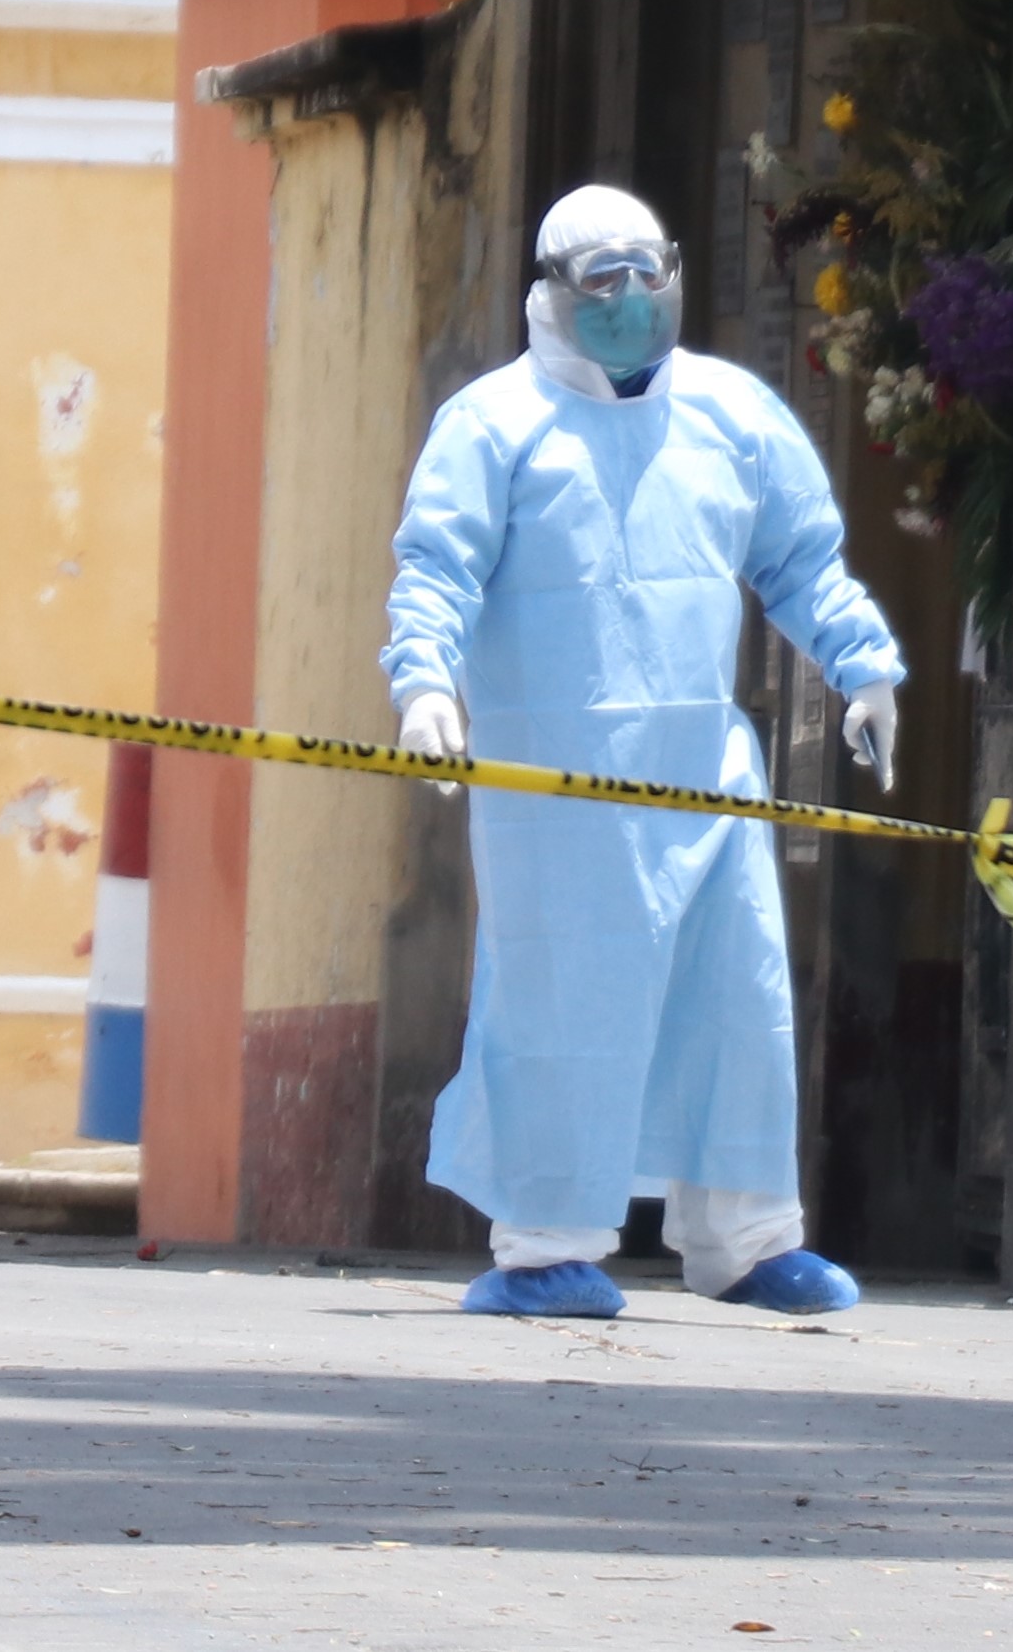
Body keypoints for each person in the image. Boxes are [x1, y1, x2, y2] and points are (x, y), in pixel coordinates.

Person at [383, 184, 903, 1319]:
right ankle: (543, 1246)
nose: (625, 298)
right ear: (554, 290)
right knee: (562, 1002)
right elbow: (434, 567)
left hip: (705, 768)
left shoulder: (729, 413)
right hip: (554, 784)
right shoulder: (491, 424)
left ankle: (746, 1241)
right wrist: (422, 679)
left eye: (642, 272)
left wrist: (858, 663)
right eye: (598, 278)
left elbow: (800, 559)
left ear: (673, 270)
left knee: (737, 999)